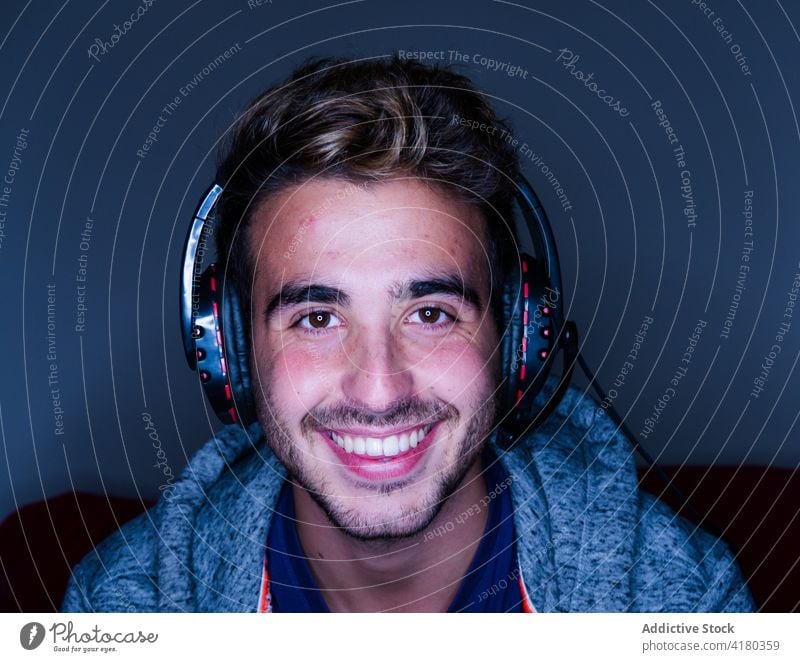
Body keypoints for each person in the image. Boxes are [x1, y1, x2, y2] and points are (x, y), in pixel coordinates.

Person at [62, 56, 753, 612]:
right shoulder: (122, 610)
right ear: (232, 352)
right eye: (317, 318)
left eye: (430, 313)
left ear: (515, 337)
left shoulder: (683, 603)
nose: (380, 388)